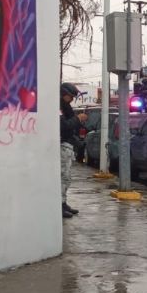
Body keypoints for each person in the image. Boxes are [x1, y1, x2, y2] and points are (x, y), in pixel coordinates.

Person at [60, 83, 82, 219]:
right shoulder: (58, 107)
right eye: (70, 96)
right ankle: (59, 205)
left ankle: (63, 202)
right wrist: (77, 119)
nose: (72, 99)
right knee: (62, 177)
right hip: (61, 145)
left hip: (67, 144)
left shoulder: (66, 107)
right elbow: (64, 126)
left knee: (66, 178)